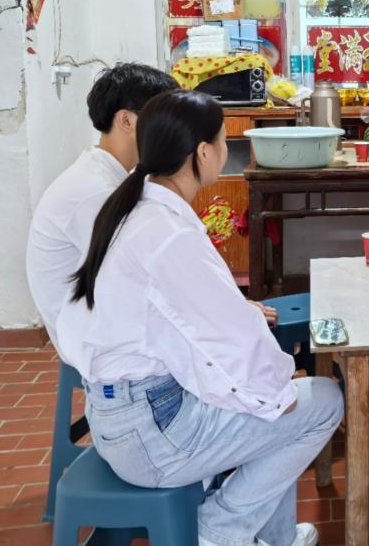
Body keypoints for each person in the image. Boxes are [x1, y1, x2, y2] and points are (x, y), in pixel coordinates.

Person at [59, 90, 342, 546]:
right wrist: (278, 390)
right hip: (153, 435)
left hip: (119, 418)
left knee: (269, 411)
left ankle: (277, 537)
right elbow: (233, 340)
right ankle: (220, 529)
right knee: (321, 401)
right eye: (224, 141)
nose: (227, 150)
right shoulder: (167, 231)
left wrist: (242, 323)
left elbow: (172, 311)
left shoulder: (134, 209)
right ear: (203, 152)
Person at [26, 63, 179, 345]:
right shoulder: (95, 191)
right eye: (164, 119)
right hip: (92, 340)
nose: (172, 131)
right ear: (126, 121)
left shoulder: (106, 172)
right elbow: (141, 276)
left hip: (102, 320)